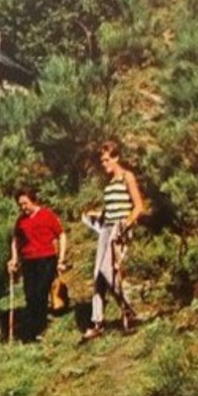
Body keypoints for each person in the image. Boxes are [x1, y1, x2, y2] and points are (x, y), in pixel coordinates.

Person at [81, 140, 145, 340]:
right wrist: (96, 214)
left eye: (107, 159)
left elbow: (138, 207)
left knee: (108, 271)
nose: (104, 163)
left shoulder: (127, 177)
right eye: (102, 160)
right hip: (106, 228)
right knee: (97, 276)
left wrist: (125, 225)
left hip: (119, 228)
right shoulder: (109, 184)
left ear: (117, 157)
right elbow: (110, 210)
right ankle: (97, 322)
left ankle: (129, 308)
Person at [7, 188, 67, 341]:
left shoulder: (47, 215)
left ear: (33, 200)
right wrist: (14, 259)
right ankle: (33, 330)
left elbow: (61, 235)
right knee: (30, 294)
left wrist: (61, 259)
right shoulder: (21, 221)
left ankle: (38, 329)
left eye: (25, 203)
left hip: (46, 259)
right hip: (28, 261)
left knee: (40, 293)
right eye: (20, 205)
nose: (23, 207)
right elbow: (16, 240)